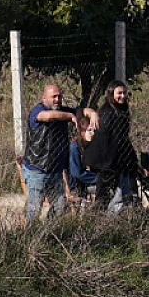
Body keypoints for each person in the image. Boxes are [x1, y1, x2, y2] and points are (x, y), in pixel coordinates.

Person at [23, 85, 98, 223]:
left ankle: (49, 231)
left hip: (55, 172)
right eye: (54, 97)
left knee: (60, 208)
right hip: (37, 170)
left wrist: (92, 114)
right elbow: (48, 116)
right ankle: (30, 233)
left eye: (59, 96)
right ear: (44, 98)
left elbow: (83, 111)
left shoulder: (63, 110)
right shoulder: (37, 111)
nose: (57, 99)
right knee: (34, 210)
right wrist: (70, 116)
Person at [83, 80, 145, 212]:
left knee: (119, 195)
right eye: (119, 93)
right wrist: (131, 162)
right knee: (104, 196)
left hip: (117, 161)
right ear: (111, 94)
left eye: (124, 93)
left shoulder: (120, 111)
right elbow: (114, 140)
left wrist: (132, 162)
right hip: (106, 162)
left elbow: (123, 139)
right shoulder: (107, 112)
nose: (123, 96)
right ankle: (97, 217)